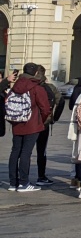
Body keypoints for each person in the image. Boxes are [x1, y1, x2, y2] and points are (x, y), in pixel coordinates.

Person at [7, 62, 51, 192]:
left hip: (16, 123)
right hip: (32, 124)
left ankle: (12, 183)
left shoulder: (16, 85)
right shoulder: (37, 87)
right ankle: (24, 183)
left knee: (15, 152)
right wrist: (40, 121)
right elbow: (45, 108)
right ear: (36, 73)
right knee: (26, 152)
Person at [33, 65, 60, 187]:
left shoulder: (24, 85)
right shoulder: (50, 87)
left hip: (26, 122)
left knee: (23, 151)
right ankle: (41, 176)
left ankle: (20, 178)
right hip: (44, 123)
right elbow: (61, 101)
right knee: (41, 150)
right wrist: (54, 117)